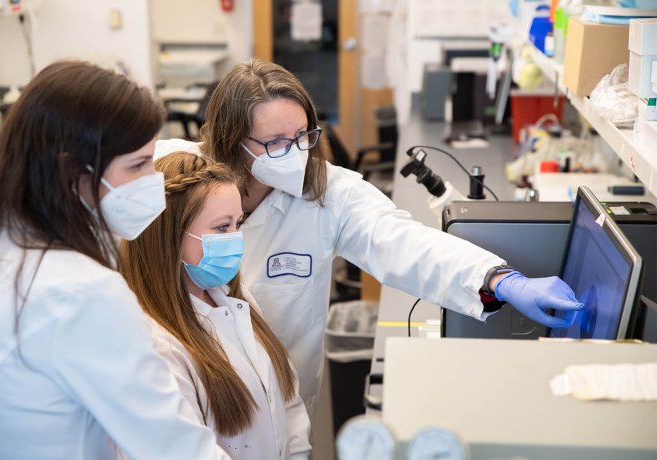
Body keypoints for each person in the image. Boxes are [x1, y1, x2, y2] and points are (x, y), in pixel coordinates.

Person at [154, 59, 585, 418]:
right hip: (182, 387)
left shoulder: (327, 192)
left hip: (278, 401)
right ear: (232, 141)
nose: (298, 153)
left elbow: (399, 240)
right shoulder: (173, 177)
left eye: (303, 136)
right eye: (277, 143)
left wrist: (496, 278)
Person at [0, 61, 229, 460]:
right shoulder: (80, 293)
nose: (152, 182)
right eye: (137, 165)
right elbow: (177, 450)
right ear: (72, 171)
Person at [119, 152, 311, 460]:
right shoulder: (154, 347)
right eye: (222, 228)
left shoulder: (234, 296)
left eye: (238, 223)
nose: (236, 239)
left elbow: (286, 403)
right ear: (169, 236)